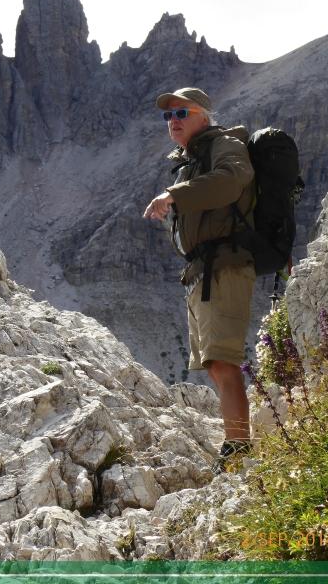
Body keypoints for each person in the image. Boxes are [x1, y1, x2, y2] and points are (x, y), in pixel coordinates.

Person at [142, 87, 257, 475]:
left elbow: (231, 180)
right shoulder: (193, 157)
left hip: (224, 266)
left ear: (204, 115)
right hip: (204, 271)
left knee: (223, 362)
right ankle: (236, 442)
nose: (173, 120)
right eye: (168, 116)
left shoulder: (223, 145)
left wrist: (173, 195)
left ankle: (239, 447)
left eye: (181, 113)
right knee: (215, 364)